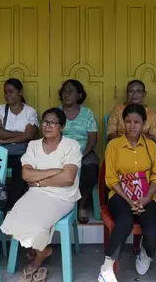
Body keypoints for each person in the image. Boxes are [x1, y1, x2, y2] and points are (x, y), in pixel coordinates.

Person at [0, 108, 81, 281]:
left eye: (53, 122)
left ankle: (39, 256)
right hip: (35, 193)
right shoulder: (33, 145)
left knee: (38, 222)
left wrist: (38, 180)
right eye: (45, 121)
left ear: (62, 127)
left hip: (62, 196)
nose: (47, 126)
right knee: (13, 217)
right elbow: (26, 175)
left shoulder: (71, 145)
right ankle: (41, 248)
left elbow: (67, 178)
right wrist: (53, 171)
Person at [98, 104, 156, 282]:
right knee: (124, 221)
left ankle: (146, 253)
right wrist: (129, 201)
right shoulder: (114, 145)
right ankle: (106, 268)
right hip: (120, 196)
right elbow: (111, 179)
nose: (132, 126)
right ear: (123, 123)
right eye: (128, 121)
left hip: (146, 195)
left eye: (137, 122)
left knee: (153, 232)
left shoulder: (151, 146)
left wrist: (145, 199)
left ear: (143, 123)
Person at [0, 78, 38, 209]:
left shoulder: (30, 112)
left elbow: (30, 135)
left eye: (11, 92)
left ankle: (12, 207)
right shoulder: (0, 110)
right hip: (2, 151)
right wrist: (21, 135)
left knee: (21, 168)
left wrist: (7, 139)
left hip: (21, 152)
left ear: (20, 92)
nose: (7, 95)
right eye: (5, 92)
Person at [58, 79, 98, 224]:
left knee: (90, 169)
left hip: (84, 151)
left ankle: (82, 205)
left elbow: (92, 139)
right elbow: (51, 137)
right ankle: (64, 204)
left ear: (79, 95)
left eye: (70, 91)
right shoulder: (57, 113)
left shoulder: (87, 113)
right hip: (61, 153)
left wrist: (81, 155)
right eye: (64, 91)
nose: (66, 94)